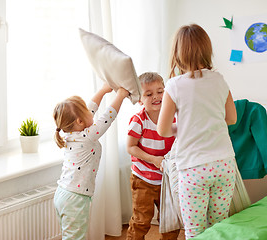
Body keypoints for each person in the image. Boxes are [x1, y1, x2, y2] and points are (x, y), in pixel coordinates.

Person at [156, 24, 237, 239]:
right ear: (207, 50)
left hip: (194, 169)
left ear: (177, 53)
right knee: (218, 226)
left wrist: (182, 128)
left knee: (195, 231)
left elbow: (163, 130)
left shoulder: (174, 85)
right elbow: (232, 118)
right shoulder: (220, 80)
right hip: (224, 164)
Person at [53, 83, 129, 240]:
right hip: (76, 198)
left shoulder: (70, 134)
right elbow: (107, 118)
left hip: (63, 193)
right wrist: (120, 95)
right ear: (80, 121)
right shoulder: (87, 137)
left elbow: (90, 109)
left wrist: (103, 90)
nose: (91, 113)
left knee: (70, 236)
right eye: (87, 112)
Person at [126, 72, 181, 240]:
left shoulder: (175, 116)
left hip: (168, 178)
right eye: (149, 94)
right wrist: (154, 160)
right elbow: (130, 147)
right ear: (140, 100)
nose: (156, 97)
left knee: (171, 221)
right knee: (141, 221)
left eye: (160, 91)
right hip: (144, 178)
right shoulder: (139, 120)